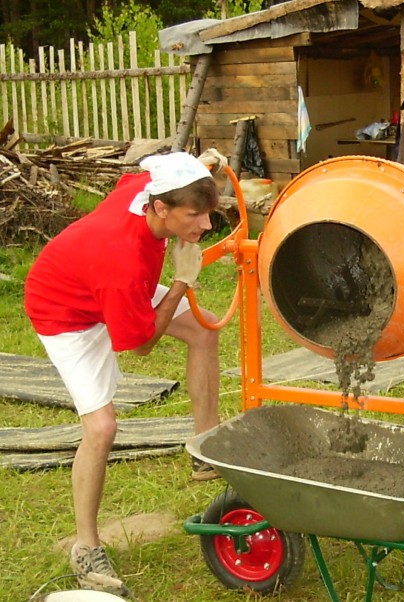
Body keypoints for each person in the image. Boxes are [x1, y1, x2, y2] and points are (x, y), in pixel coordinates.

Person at [24, 150, 228, 595]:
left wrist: (203, 165)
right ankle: (85, 546)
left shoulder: (147, 188)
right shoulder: (122, 258)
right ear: (161, 209)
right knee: (101, 427)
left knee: (202, 330)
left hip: (99, 281)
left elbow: (140, 174)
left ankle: (205, 449)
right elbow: (140, 345)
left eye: (206, 213)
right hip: (65, 312)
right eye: (195, 215)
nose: (205, 227)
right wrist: (182, 281)